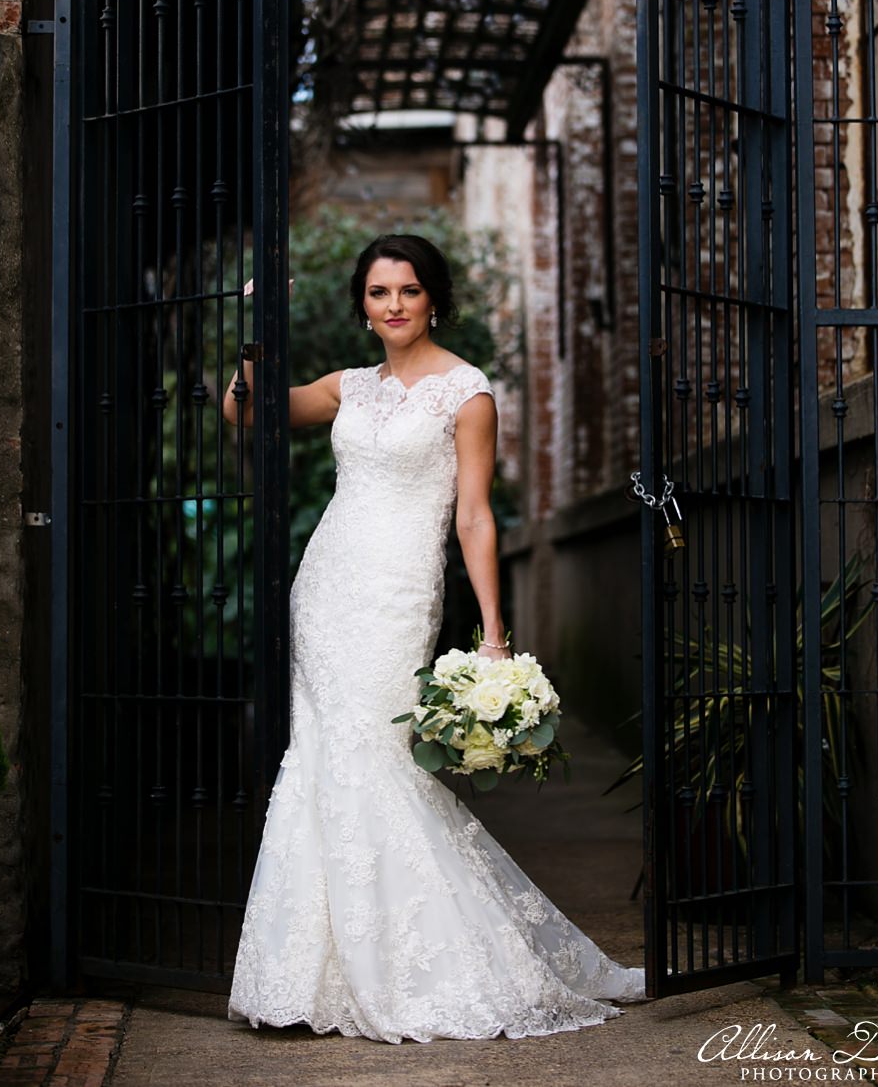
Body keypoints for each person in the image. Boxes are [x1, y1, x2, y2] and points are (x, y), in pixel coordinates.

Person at [223, 232, 644, 1041]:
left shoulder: (466, 392)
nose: (394, 305)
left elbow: (475, 515)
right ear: (363, 305)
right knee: (321, 757)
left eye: (408, 290)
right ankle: (309, 972)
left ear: (433, 299)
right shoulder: (349, 387)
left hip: (397, 592)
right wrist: (255, 337)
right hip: (326, 588)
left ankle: (418, 967)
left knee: (379, 756)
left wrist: (494, 632)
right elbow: (247, 412)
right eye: (379, 292)